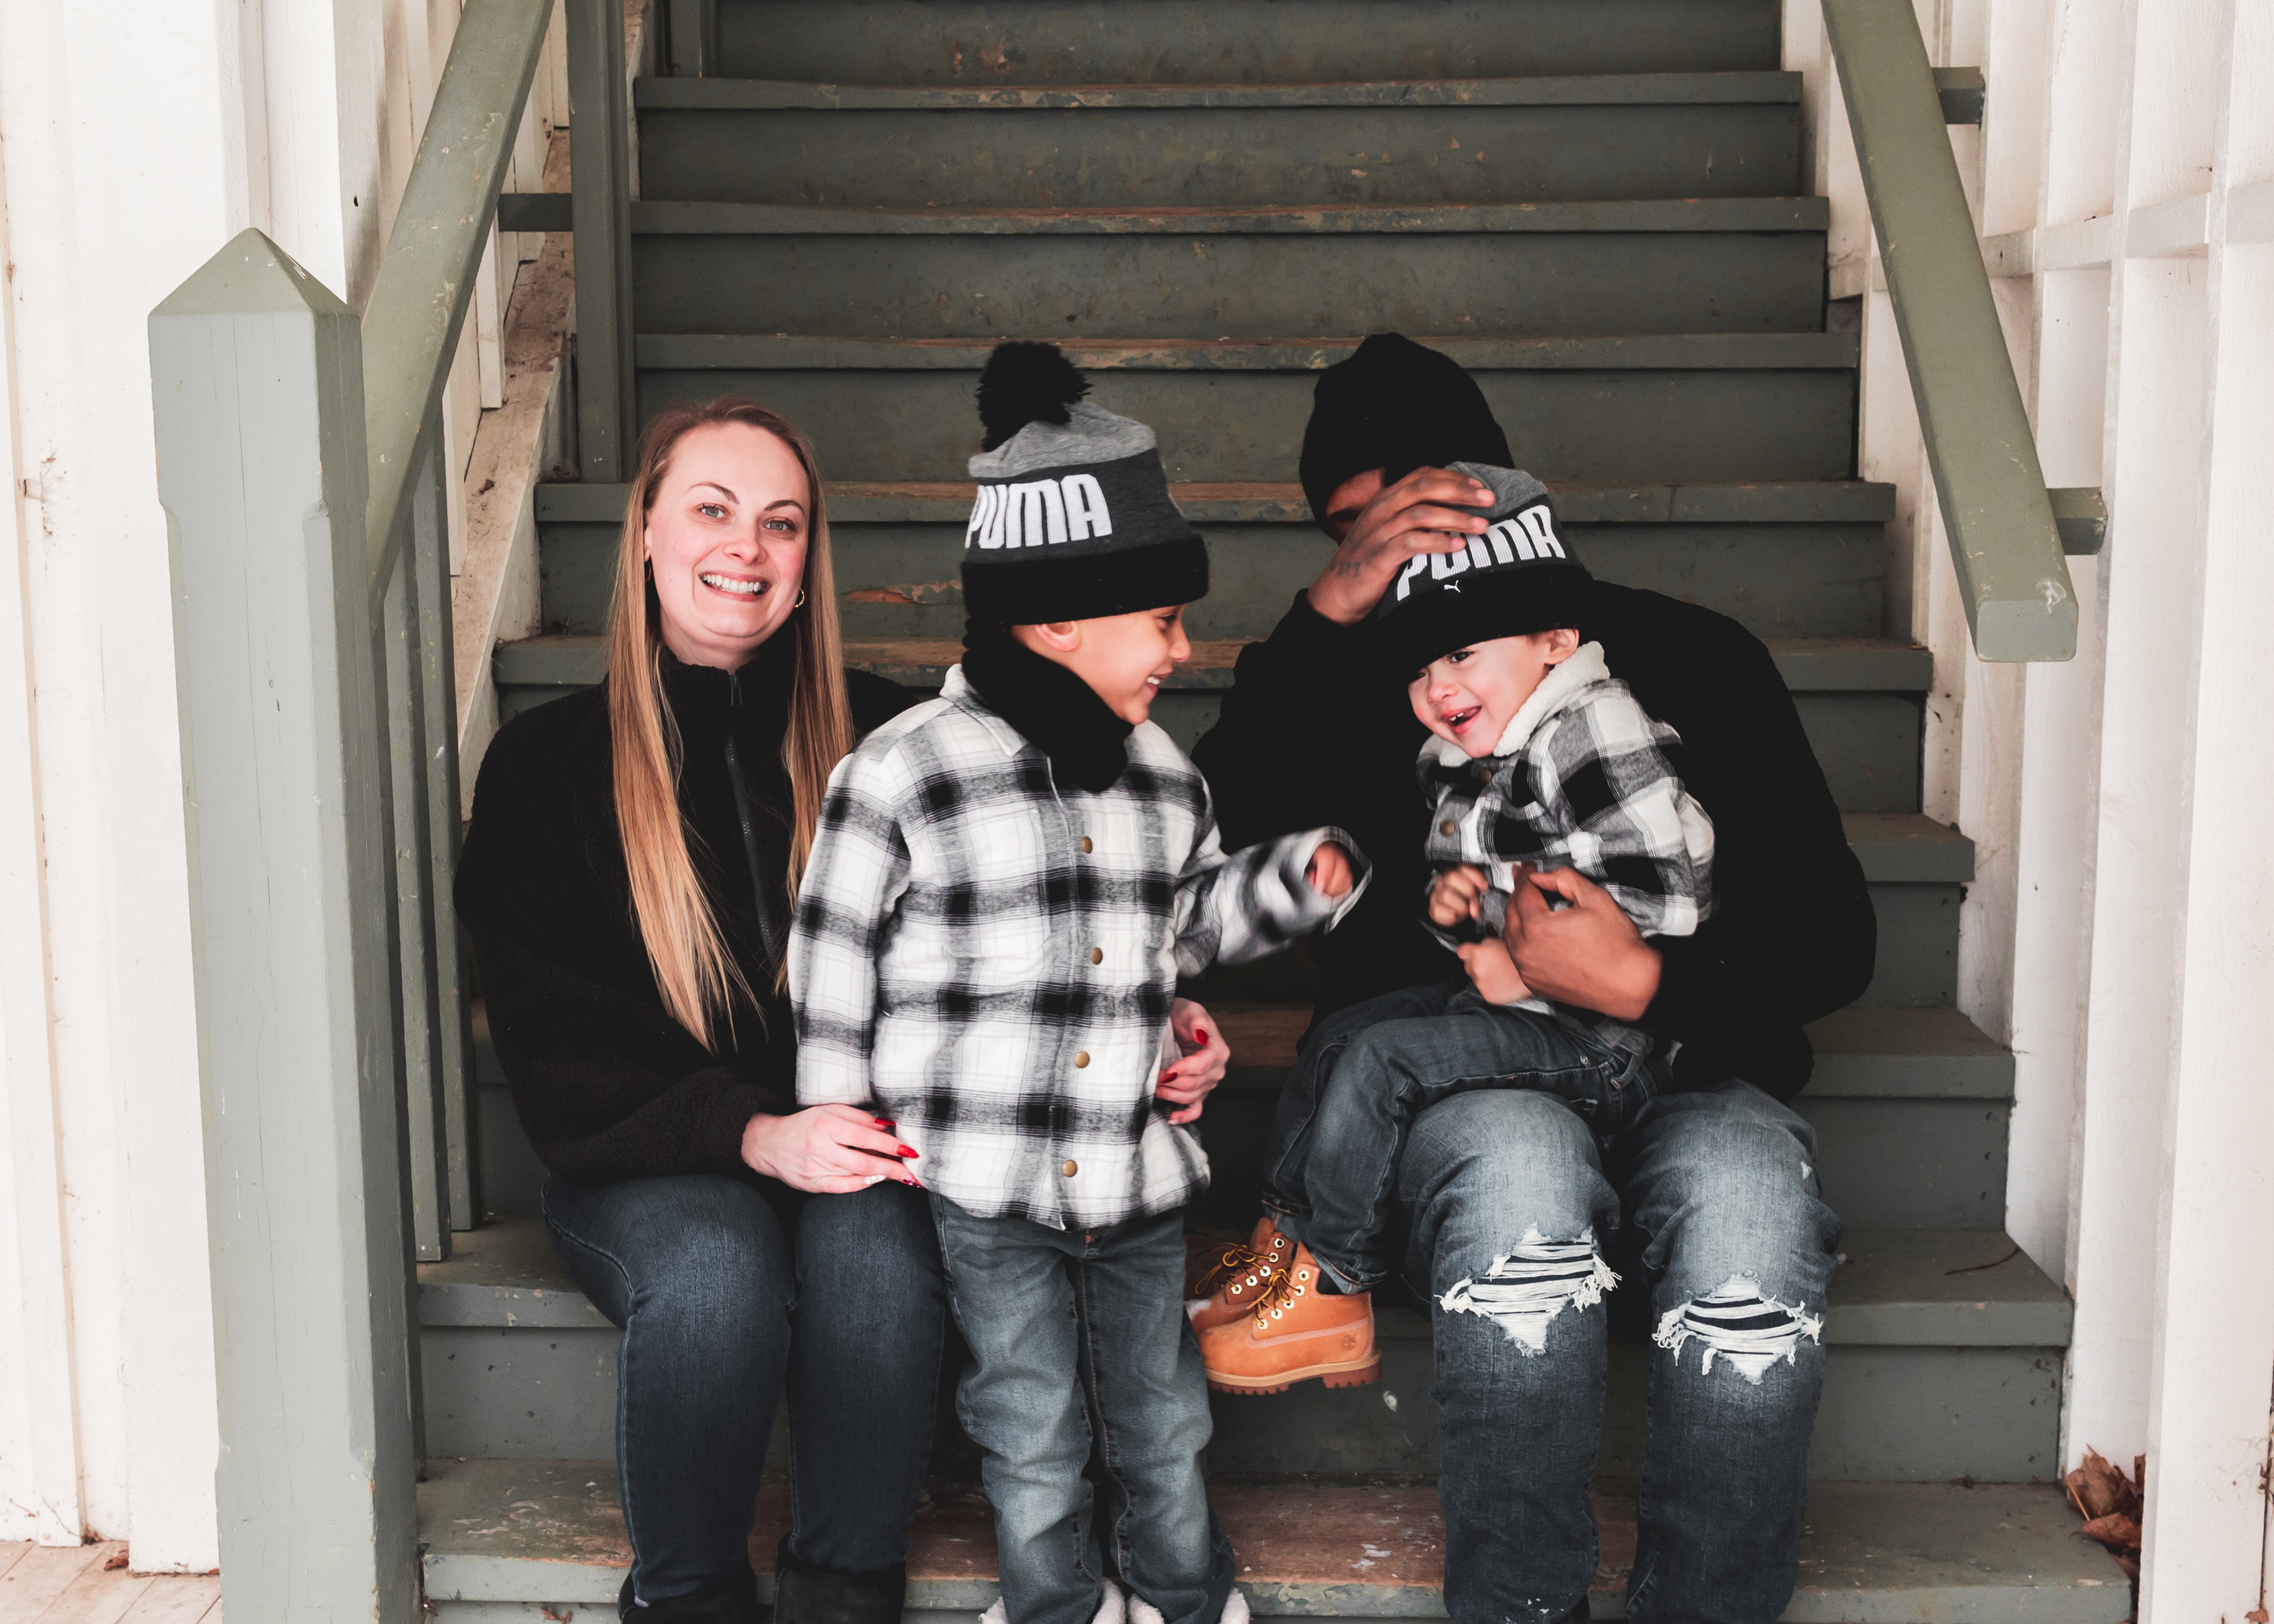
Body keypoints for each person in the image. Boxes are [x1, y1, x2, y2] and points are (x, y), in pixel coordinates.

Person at [455, 393, 1240, 1624]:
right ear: (645, 531)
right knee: (718, 1271)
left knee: (877, 1261)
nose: (747, 548)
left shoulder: (900, 739)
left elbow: (1060, 906)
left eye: (781, 523)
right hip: (650, 1156)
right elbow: (556, 1039)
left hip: (868, 1139)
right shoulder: (545, 765)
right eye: (712, 511)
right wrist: (755, 1131)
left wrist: (1158, 1018)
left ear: (809, 556)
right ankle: (690, 1601)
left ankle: (843, 1594)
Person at [1187, 335, 1876, 1624]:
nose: (1390, 555)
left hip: (1688, 1068)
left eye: (1407, 514)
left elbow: (1834, 940)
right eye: (1350, 534)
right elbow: (1214, 831)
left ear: (1492, 496)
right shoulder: (1378, 682)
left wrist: (1645, 982)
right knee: (1521, 1198)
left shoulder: (1688, 658)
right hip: (1467, 1077)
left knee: (1748, 1222)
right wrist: (1333, 610)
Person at [790, 345, 1363, 1624]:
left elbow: (1188, 923)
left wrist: (1297, 881)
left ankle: (1181, 1595)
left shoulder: (1164, 776)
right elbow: (831, 948)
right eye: (1162, 621)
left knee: (1163, 1416)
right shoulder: (907, 771)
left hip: (1133, 1175)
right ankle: (1054, 1606)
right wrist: (836, 1112)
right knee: (1031, 1421)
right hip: (986, 1183)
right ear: (1058, 622)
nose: (1183, 648)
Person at [1194, 461, 1714, 1396]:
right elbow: (1511, 875)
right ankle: (1287, 1246)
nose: (1439, 688)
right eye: (1420, 669)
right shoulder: (1483, 744)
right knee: (1345, 1033)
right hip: (1527, 1010)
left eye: (1463, 655)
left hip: (1604, 1043)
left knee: (1381, 1061)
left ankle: (1335, 1290)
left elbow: (1665, 898)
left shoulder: (1591, 729)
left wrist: (1527, 955)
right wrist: (1468, 907)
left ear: (1556, 641)